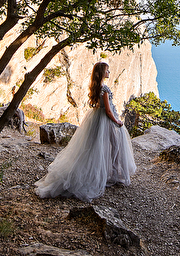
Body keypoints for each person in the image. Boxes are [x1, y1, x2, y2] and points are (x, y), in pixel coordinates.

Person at [35, 62, 136, 202]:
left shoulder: (97, 87)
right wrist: (117, 121)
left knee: (95, 147)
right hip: (106, 120)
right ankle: (115, 174)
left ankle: (105, 173)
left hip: (97, 119)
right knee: (115, 145)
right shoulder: (105, 89)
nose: (109, 72)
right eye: (107, 70)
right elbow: (108, 110)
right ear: (101, 73)